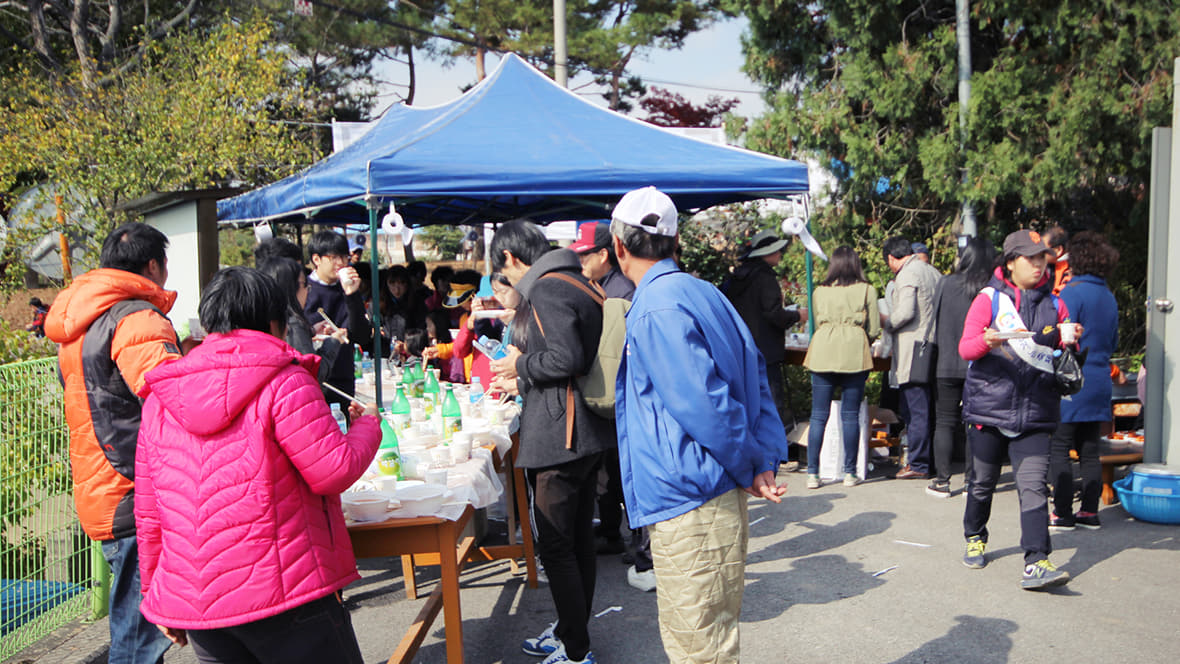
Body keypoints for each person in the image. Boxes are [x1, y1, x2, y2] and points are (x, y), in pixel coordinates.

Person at [135, 266, 382, 663]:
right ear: (273, 321)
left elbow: (149, 513)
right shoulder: (285, 380)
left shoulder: (162, 395)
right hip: (287, 591)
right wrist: (368, 425)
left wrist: (154, 595)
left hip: (202, 606)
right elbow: (334, 469)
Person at [612, 187, 788, 664]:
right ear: (674, 243)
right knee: (713, 637)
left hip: (690, 494)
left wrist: (754, 462)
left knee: (699, 645)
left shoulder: (656, 306)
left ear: (619, 246)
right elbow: (754, 372)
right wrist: (761, 458)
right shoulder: (701, 291)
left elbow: (705, 404)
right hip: (709, 486)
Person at [44, 222, 180, 664]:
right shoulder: (136, 317)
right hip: (135, 485)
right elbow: (172, 397)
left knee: (132, 622)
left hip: (101, 479)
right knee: (139, 633)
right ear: (153, 265)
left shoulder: (83, 319)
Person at [487, 220, 614, 664]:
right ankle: (570, 633)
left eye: (502, 271)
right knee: (577, 539)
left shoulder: (546, 286)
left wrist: (520, 366)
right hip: (585, 430)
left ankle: (577, 651)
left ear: (510, 259)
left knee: (559, 544)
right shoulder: (576, 279)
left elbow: (566, 358)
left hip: (562, 433)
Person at [959, 229, 1074, 590]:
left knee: (1034, 487)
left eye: (1043, 258)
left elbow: (1064, 356)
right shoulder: (989, 300)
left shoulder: (1056, 304)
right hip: (990, 411)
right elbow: (965, 348)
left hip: (1037, 410)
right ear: (1010, 263)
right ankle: (975, 536)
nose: (1040, 265)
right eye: (1031, 259)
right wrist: (986, 340)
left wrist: (1070, 341)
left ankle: (1036, 561)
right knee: (981, 485)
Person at [568, 221, 637, 560]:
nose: (580, 262)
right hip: (608, 397)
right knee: (608, 472)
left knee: (625, 472)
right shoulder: (599, 286)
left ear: (604, 253)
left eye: (585, 255)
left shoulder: (621, 290)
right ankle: (611, 531)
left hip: (621, 396)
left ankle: (640, 543)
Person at [1049, 231, 1119, 530]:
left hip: (1072, 378)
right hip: (1100, 378)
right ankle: (1090, 511)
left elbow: (1059, 336)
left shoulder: (1070, 293)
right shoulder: (1109, 296)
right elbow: (1113, 341)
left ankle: (1062, 512)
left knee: (1060, 445)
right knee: (1090, 448)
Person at [802, 246, 880, 489]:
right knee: (850, 416)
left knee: (818, 416)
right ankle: (849, 473)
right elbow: (875, 328)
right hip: (854, 352)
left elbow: (815, 322)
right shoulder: (868, 290)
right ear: (856, 264)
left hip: (823, 350)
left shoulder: (819, 292)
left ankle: (813, 474)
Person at [928, 237, 996, 498]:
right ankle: (972, 480)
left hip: (946, 361)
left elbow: (934, 318)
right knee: (974, 422)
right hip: (979, 364)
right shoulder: (989, 288)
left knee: (944, 421)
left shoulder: (946, 283)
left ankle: (942, 481)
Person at [725, 229, 805, 430]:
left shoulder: (736, 278)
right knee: (771, 402)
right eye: (777, 251)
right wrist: (796, 315)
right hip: (766, 350)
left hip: (740, 347)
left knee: (747, 401)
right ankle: (773, 450)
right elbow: (774, 314)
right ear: (767, 254)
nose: (780, 255)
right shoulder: (765, 277)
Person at [881, 236, 942, 481]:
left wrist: (888, 324)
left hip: (913, 348)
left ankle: (918, 462)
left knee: (916, 408)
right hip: (934, 345)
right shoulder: (933, 272)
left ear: (891, 258)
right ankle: (931, 459)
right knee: (930, 408)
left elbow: (905, 312)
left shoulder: (906, 275)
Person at [302, 230, 370, 412]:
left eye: (344, 257)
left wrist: (352, 294)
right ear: (317, 259)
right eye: (334, 257)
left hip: (343, 378)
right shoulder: (303, 289)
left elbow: (362, 336)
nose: (341, 263)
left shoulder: (347, 289)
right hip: (311, 379)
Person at [257, 257, 348, 385]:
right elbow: (313, 373)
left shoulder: (263, 319)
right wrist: (334, 341)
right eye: (305, 284)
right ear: (290, 288)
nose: (307, 291)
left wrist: (311, 331)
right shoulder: (293, 324)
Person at [1043, 225, 1071, 294]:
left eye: (1043, 248)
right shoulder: (1046, 267)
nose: (1039, 252)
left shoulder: (1070, 271)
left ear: (1058, 250)